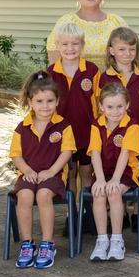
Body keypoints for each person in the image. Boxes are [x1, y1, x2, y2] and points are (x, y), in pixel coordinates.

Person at [11, 72, 76, 269]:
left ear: (57, 101)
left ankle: (48, 244)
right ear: (30, 102)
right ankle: (27, 244)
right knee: (24, 197)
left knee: (43, 195)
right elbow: (16, 155)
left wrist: (51, 171)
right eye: (39, 101)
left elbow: (67, 152)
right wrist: (27, 170)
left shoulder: (63, 126)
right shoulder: (22, 128)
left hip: (53, 175)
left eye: (50, 101)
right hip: (28, 173)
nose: (45, 106)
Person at [99, 27, 139, 231]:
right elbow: (99, 112)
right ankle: (120, 213)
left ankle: (136, 213)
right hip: (112, 141)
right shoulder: (104, 78)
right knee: (115, 171)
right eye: (122, 49)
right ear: (111, 51)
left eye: (132, 49)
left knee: (137, 174)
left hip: (138, 137)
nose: (127, 54)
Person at [47, 23, 99, 229]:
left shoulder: (92, 70)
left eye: (75, 44)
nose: (70, 48)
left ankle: (87, 213)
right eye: (65, 44)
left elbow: (98, 103)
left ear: (82, 45)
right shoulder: (52, 72)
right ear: (58, 46)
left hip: (87, 134)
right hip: (63, 137)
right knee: (70, 176)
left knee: (86, 174)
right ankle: (72, 213)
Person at [87, 83, 139, 261]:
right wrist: (100, 180)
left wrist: (115, 180)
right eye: (110, 107)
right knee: (100, 193)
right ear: (101, 106)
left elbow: (125, 154)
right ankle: (102, 240)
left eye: (120, 106)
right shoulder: (97, 125)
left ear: (127, 105)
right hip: (104, 171)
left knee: (114, 192)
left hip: (125, 172)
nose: (115, 111)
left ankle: (117, 240)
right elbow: (95, 153)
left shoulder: (132, 125)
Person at [47, 0, 128, 66]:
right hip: (74, 79)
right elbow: (55, 65)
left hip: (112, 79)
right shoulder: (65, 23)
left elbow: (129, 57)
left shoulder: (117, 22)